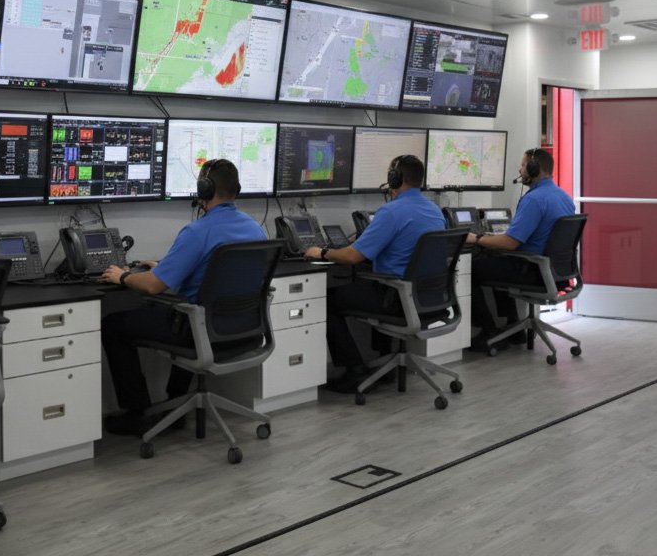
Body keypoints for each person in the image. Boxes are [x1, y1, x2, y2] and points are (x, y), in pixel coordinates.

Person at [99, 158, 267, 436]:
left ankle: (137, 411)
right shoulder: (255, 229)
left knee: (114, 325)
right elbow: (216, 276)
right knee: (194, 310)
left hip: (202, 333)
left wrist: (123, 276)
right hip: (243, 332)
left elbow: (153, 286)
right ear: (236, 190)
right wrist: (167, 268)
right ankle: (176, 403)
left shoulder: (198, 231)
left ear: (204, 190)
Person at [303, 154, 445, 393]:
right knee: (371, 278)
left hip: (397, 300)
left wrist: (321, 252)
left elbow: (351, 257)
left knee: (326, 300)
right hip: (428, 299)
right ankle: (385, 359)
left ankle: (355, 370)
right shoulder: (434, 211)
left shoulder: (390, 212)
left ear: (395, 178)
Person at [466, 148, 575, 345]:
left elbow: (510, 243)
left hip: (533, 271)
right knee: (495, 261)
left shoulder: (534, 199)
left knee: (472, 268)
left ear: (535, 168)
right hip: (557, 272)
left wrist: (477, 239)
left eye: (524, 165)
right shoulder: (563, 196)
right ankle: (512, 328)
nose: (520, 169)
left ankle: (489, 331)